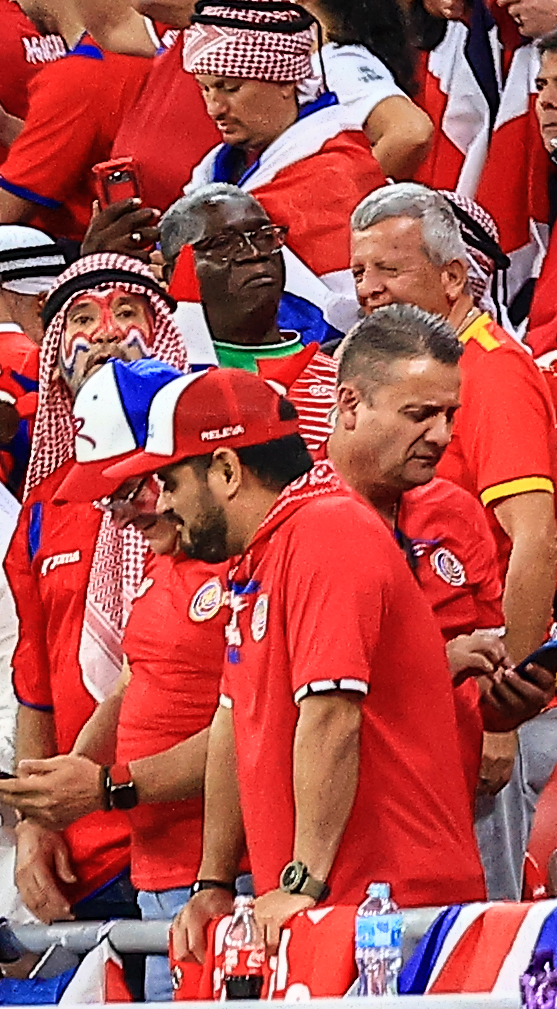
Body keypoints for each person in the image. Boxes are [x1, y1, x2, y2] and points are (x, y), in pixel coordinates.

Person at [153, 368, 484, 971]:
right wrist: (214, 883)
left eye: (171, 481)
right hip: (331, 908)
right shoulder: (259, 556)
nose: (163, 504)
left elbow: (332, 716)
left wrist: (304, 880)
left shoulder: (327, 531)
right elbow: (234, 724)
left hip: (392, 913)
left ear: (226, 471)